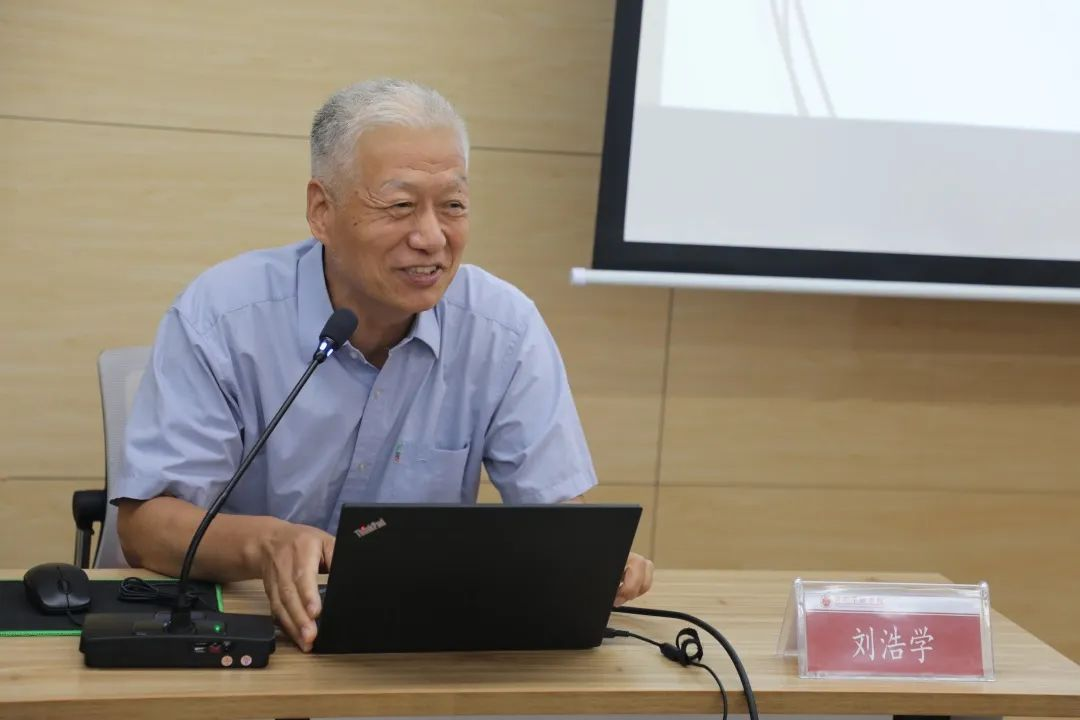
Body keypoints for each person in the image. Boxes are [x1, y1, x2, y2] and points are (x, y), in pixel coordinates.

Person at [112, 78, 654, 652]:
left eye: (453, 206)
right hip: (241, 636)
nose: (432, 238)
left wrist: (593, 560)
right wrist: (266, 544)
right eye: (400, 206)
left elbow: (556, 515)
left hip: (411, 647)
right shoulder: (222, 316)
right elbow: (144, 529)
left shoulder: (504, 329)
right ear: (321, 211)